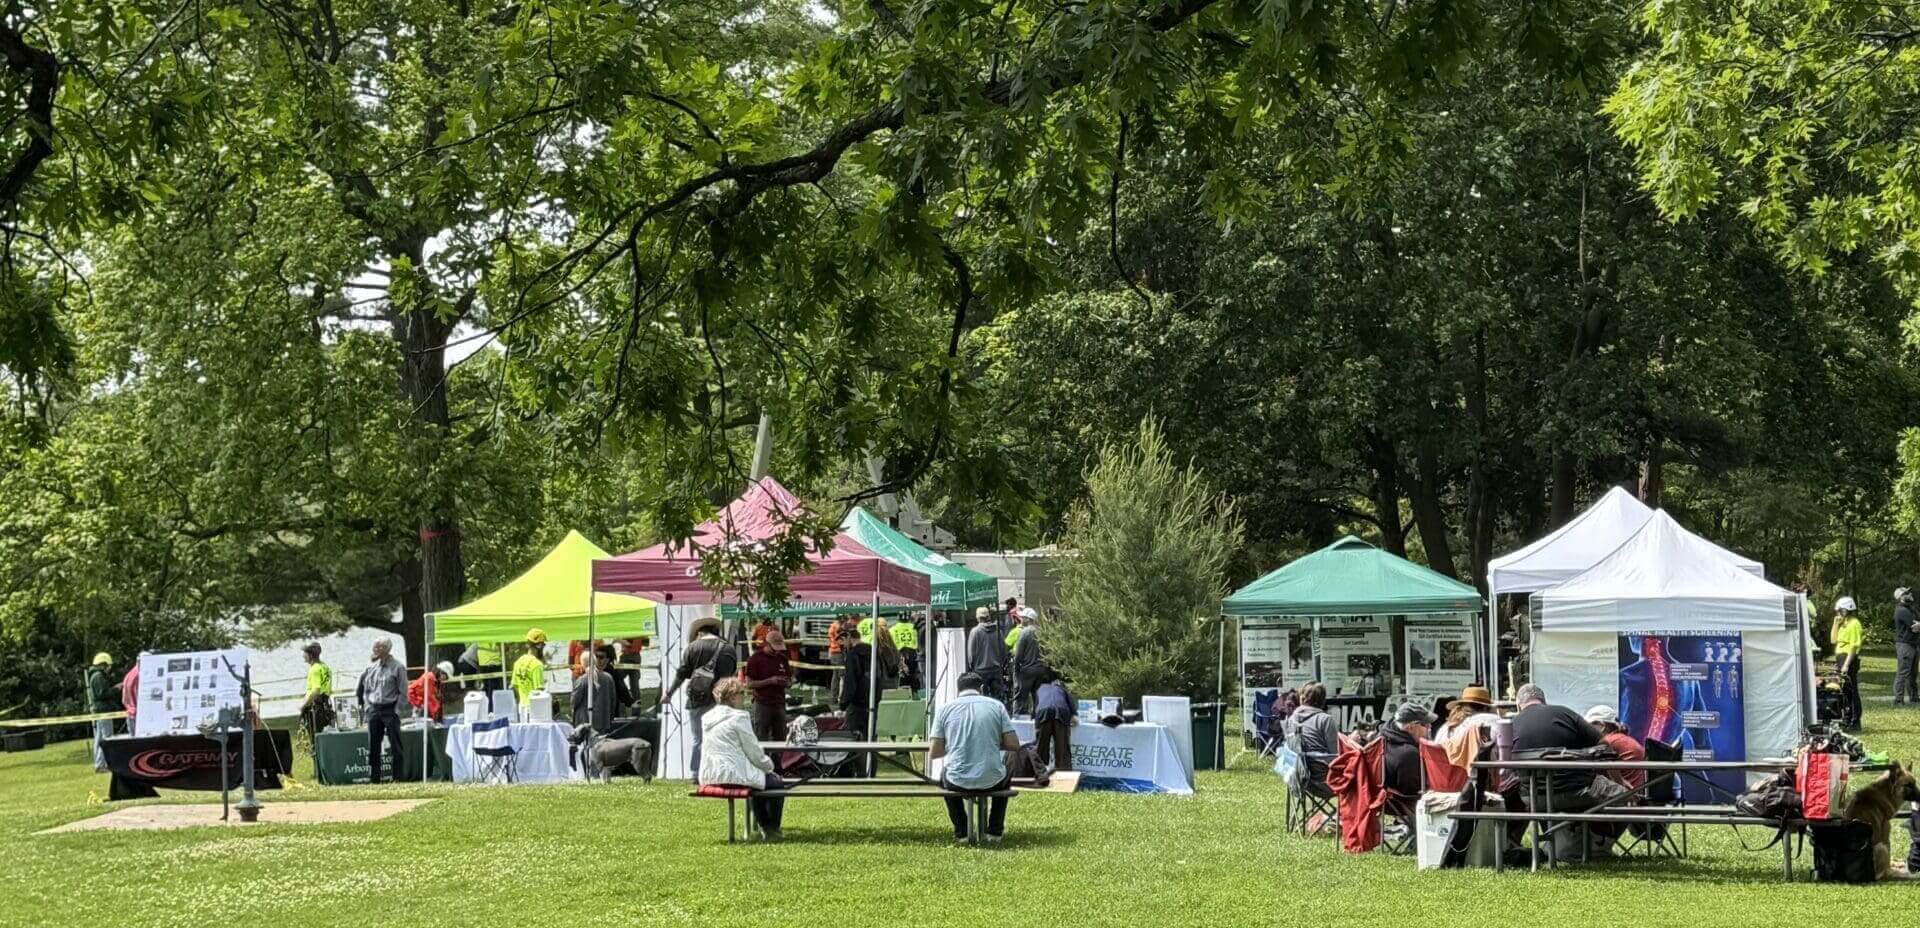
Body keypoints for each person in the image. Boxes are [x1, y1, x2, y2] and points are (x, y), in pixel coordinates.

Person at [1511, 683, 1626, 855]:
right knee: (1628, 798)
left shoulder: (1512, 723)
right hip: (1579, 791)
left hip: (1532, 798)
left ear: (1518, 704)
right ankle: (1600, 845)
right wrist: (1620, 781)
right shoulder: (1564, 713)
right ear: (1543, 700)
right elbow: (1604, 746)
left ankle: (1565, 844)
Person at [930, 671, 1020, 842]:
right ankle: (995, 831)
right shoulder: (996, 706)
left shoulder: (944, 709)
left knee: (944, 777)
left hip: (958, 781)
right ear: (981, 688)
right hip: (992, 780)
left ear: (958, 690)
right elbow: (1014, 745)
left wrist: (956, 742)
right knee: (1006, 771)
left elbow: (935, 752)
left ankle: (962, 831)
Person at [699, 678, 787, 841]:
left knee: (759, 782)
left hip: (710, 774)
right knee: (775, 783)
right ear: (732, 697)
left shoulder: (707, 718)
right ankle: (770, 828)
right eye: (742, 693)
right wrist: (770, 767)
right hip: (733, 775)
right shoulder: (739, 717)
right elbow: (754, 752)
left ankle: (765, 827)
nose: (744, 697)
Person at [667, 618, 735, 775]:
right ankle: (720, 771)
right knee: (721, 736)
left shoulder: (692, 648)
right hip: (722, 700)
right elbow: (731, 675)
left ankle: (696, 773)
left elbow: (682, 674)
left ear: (700, 633)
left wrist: (669, 693)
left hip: (697, 700)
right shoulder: (728, 649)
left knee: (698, 738)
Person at [356, 637, 407, 784]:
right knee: (373, 747)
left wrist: (397, 711)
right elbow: (365, 691)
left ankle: (397, 778)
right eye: (374, 647)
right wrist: (367, 707)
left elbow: (403, 692)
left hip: (390, 710)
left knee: (395, 746)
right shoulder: (372, 668)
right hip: (374, 710)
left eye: (377, 647)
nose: (374, 650)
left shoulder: (398, 667)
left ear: (385, 649)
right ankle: (375, 779)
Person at [1286, 682, 1343, 787]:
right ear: (1322, 700)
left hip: (1297, 775)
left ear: (1302, 698)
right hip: (1325, 780)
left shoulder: (1291, 719)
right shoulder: (1325, 719)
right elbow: (1335, 753)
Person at [1380, 702, 1433, 811]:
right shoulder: (1409, 754)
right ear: (1411, 727)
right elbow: (1412, 791)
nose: (1430, 728)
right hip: (1400, 802)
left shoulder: (1382, 739)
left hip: (1381, 798)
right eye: (1425, 725)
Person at [1584, 705, 1646, 792]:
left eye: (1589, 726)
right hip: (1635, 792)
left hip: (1623, 795)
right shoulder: (1622, 739)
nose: (1587, 731)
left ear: (1602, 726)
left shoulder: (1608, 741)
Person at [744, 628, 792, 741]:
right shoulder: (755, 659)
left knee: (781, 738)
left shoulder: (782, 658)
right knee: (761, 737)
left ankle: (778, 758)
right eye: (774, 648)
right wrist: (770, 681)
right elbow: (749, 684)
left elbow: (790, 680)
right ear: (767, 644)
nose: (777, 651)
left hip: (779, 703)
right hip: (762, 703)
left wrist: (786, 682)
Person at [1438, 684, 1499, 769]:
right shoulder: (1489, 721)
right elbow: (1490, 741)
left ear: (1460, 706)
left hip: (1443, 774)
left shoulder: (1444, 728)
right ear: (1486, 708)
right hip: (1467, 776)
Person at [1031, 671, 1076, 771]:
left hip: (1043, 712)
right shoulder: (1062, 689)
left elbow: (1035, 710)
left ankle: (1039, 773)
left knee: (1041, 747)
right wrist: (1073, 717)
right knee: (1062, 747)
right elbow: (1072, 708)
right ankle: (1064, 774)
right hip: (1061, 712)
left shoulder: (1040, 689)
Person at [967, 606, 1011, 706]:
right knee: (997, 699)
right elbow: (1004, 651)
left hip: (980, 671)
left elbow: (971, 654)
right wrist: (1000, 664)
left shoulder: (975, 632)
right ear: (988, 617)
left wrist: (972, 666)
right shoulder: (998, 631)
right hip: (996, 670)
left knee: (982, 700)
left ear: (978, 617)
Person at [1832, 596, 1864, 730]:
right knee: (1844, 691)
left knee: (1852, 690)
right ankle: (1847, 718)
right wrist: (1835, 623)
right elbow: (1833, 640)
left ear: (1846, 610)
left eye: (1840, 611)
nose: (1838, 613)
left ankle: (1855, 721)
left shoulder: (1854, 624)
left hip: (1848, 658)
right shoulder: (1843, 624)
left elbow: (1854, 646)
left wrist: (1846, 664)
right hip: (1840, 657)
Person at [839, 625, 874, 739]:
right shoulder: (873, 651)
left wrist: (843, 703)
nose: (842, 645)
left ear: (849, 637)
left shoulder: (852, 654)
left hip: (857, 703)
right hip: (873, 699)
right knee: (870, 735)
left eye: (843, 641)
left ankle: (858, 756)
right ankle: (870, 756)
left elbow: (850, 681)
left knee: (853, 736)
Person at [1010, 607, 1047, 715]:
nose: (1021, 619)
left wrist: (1016, 670)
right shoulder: (1042, 632)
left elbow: (1018, 655)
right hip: (1041, 671)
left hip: (1027, 671)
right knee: (1038, 700)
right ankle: (1037, 723)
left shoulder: (1024, 632)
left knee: (1020, 699)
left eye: (1023, 617)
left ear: (1028, 619)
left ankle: (1017, 723)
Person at [86, 653, 116, 772]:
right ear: (103, 665)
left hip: (100, 711)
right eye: (108, 666)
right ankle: (101, 765)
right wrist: (116, 689)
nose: (109, 668)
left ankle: (99, 763)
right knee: (106, 738)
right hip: (103, 711)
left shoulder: (95, 675)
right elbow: (102, 694)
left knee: (99, 738)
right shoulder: (98, 676)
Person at [571, 652, 616, 733]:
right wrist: (610, 717)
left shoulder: (582, 680)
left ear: (583, 663)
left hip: (585, 722)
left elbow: (574, 702)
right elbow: (613, 700)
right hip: (604, 720)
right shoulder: (608, 678)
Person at [298, 643, 334, 738]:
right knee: (324, 734)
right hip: (325, 704)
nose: (303, 656)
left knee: (314, 736)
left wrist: (304, 705)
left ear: (310, 655)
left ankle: (315, 752)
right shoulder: (325, 667)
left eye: (305, 654)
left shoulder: (314, 669)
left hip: (315, 706)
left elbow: (316, 690)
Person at [512, 629, 550, 708]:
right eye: (543, 644)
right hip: (535, 709)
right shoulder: (537, 664)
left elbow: (515, 685)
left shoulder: (518, 662)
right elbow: (539, 691)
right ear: (539, 645)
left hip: (522, 707)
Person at [1894, 587, 1919, 705]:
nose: (1910, 594)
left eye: (1909, 592)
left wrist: (1917, 624)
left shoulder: (1911, 609)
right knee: (1903, 673)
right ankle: (1898, 700)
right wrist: (1917, 625)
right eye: (1906, 593)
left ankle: (1914, 697)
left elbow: (1917, 625)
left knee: (1913, 673)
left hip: (1913, 644)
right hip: (1905, 645)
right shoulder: (1901, 610)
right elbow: (1914, 626)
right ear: (1900, 597)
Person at [891, 614, 922, 692]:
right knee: (913, 677)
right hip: (913, 655)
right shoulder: (914, 628)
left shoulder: (892, 629)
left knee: (902, 678)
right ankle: (915, 693)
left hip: (899, 655)